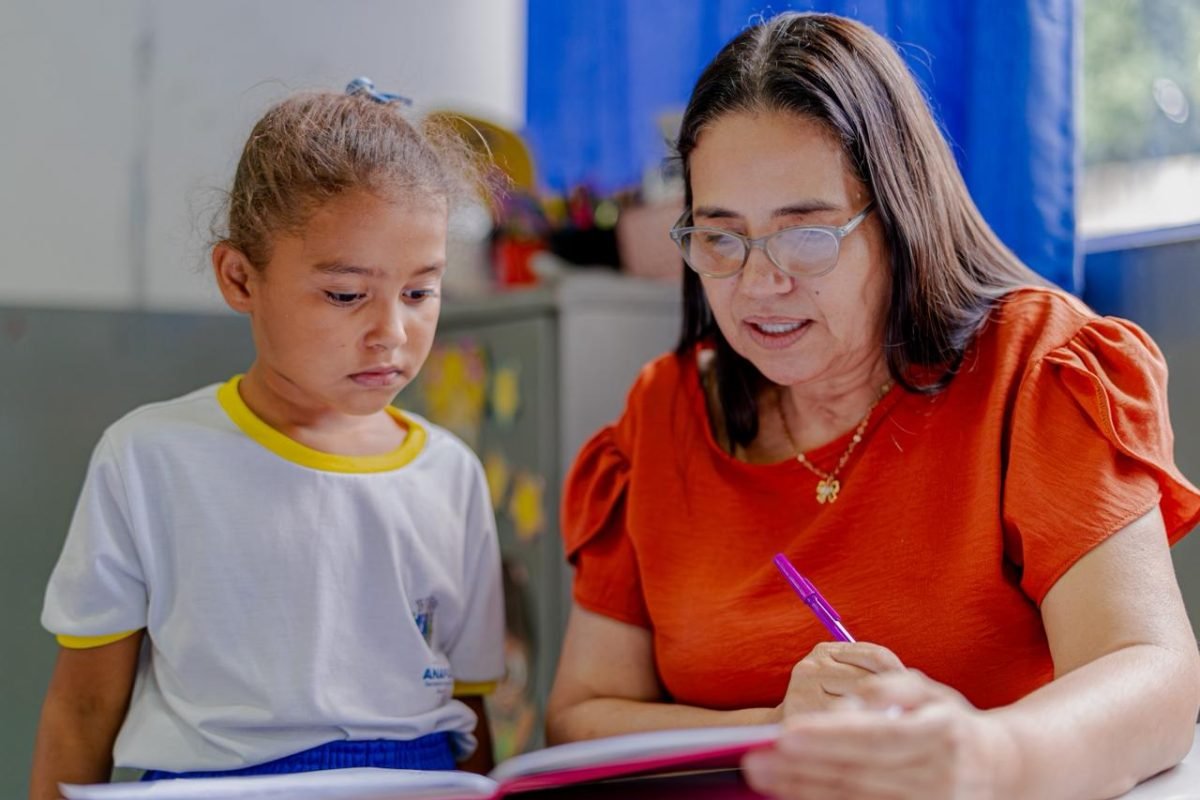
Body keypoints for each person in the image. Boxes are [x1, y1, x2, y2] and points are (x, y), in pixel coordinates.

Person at [546, 12, 1200, 800]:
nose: (758, 284)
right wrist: (775, 725)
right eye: (720, 239)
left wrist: (987, 756)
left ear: (899, 218)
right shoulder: (662, 414)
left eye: (807, 234)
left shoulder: (1035, 367)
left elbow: (1152, 673)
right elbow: (580, 716)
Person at [29, 81, 504, 798]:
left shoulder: (451, 475)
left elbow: (468, 714)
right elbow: (84, 708)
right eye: (346, 294)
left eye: (419, 292)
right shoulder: (150, 458)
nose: (392, 333)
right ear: (239, 277)